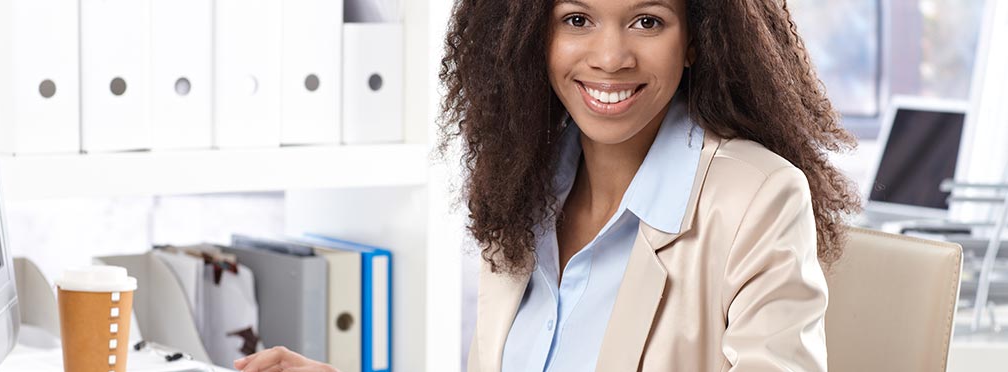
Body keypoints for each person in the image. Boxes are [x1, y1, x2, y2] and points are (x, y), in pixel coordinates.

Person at [234, 0, 861, 370]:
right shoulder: (521, 185)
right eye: (578, 18)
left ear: (696, 37)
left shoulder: (759, 199)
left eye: (647, 21)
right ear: (534, 32)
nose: (610, 57)